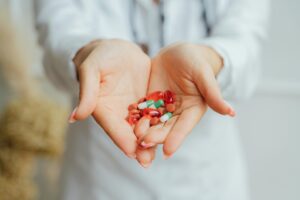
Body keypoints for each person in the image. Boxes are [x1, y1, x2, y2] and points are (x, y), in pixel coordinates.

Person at [35, 0, 269, 199]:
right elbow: (58, 31)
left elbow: (245, 40)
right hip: (99, 178)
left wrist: (209, 59)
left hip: (206, 179)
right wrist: (88, 53)